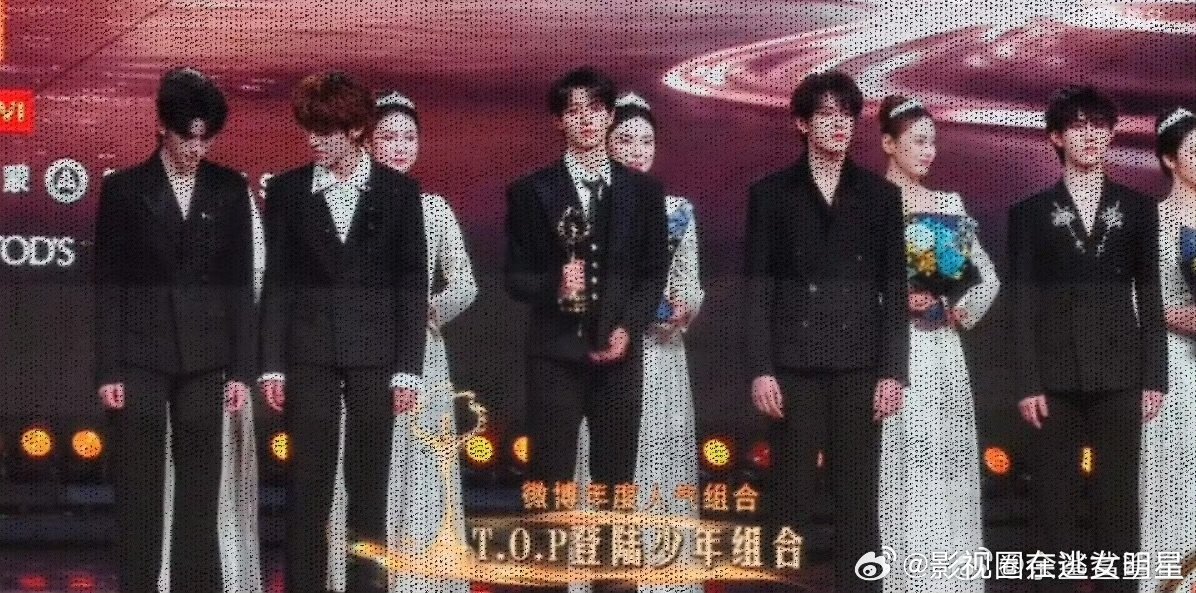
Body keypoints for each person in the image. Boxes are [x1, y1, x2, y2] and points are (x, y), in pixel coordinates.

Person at [258, 71, 427, 593]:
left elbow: (411, 284)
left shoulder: (400, 193)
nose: (312, 141)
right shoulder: (287, 191)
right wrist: (271, 364)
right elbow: (277, 282)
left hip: (377, 356)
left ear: (356, 130)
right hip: (307, 352)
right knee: (307, 485)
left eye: (324, 131)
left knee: (368, 487)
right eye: (308, 130)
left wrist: (408, 369)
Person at [503, 67, 669, 593]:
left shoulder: (644, 191)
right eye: (574, 111)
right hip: (554, 354)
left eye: (596, 110)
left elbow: (652, 272)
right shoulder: (531, 190)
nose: (587, 120)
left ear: (610, 115)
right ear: (559, 120)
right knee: (549, 482)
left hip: (620, 355)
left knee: (616, 484)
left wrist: (629, 328)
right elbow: (514, 278)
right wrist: (555, 283)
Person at [94, 67, 257, 593]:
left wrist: (242, 370)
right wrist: (108, 369)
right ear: (162, 127)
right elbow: (108, 285)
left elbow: (238, 285)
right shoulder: (124, 190)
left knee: (200, 489)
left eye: (206, 139)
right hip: (140, 354)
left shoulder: (229, 188)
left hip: (207, 357)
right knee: (139, 487)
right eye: (188, 137)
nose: (196, 149)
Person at [744, 70, 907, 593]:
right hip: (793, 367)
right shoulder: (771, 194)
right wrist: (760, 370)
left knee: (859, 501)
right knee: (788, 500)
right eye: (827, 115)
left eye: (847, 116)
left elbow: (895, 291)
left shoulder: (880, 197)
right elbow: (757, 290)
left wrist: (893, 371)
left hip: (859, 366)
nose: (839, 125)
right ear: (802, 123)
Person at [1008, 85, 1166, 593]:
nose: (1091, 136)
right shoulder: (1030, 213)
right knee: (1052, 505)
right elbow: (1021, 304)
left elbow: (1150, 296)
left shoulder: (1138, 208)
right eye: (1078, 126)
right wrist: (1027, 382)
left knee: (1117, 502)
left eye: (1100, 126)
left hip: (1121, 375)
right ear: (1056, 137)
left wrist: (1154, 378)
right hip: (1053, 379)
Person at [321, 90, 478, 593]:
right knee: (361, 466)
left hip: (422, 358)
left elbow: (466, 283)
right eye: (388, 136)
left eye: (409, 137)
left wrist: (428, 310)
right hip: (359, 355)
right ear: (367, 141)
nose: (399, 146)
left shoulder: (433, 209)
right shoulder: (343, 201)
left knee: (423, 468)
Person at [570, 92, 704, 593]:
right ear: (605, 142)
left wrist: (683, 308)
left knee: (661, 459)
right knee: (604, 466)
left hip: (662, 356)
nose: (637, 150)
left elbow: (690, 284)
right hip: (605, 352)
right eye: (625, 140)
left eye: (646, 141)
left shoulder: (677, 210)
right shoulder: (585, 203)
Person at [874, 95, 998, 593]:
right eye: (917, 141)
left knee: (946, 464)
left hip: (942, 350)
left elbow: (986, 278)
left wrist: (954, 309)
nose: (928, 151)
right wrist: (895, 299)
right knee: (898, 464)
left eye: (933, 142)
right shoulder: (866, 204)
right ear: (888, 143)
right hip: (891, 350)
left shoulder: (949, 204)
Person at [1138, 106, 1196, 593]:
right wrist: (1182, 318)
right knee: (1176, 484)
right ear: (1170, 160)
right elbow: (1136, 300)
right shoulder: (1152, 221)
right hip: (1175, 363)